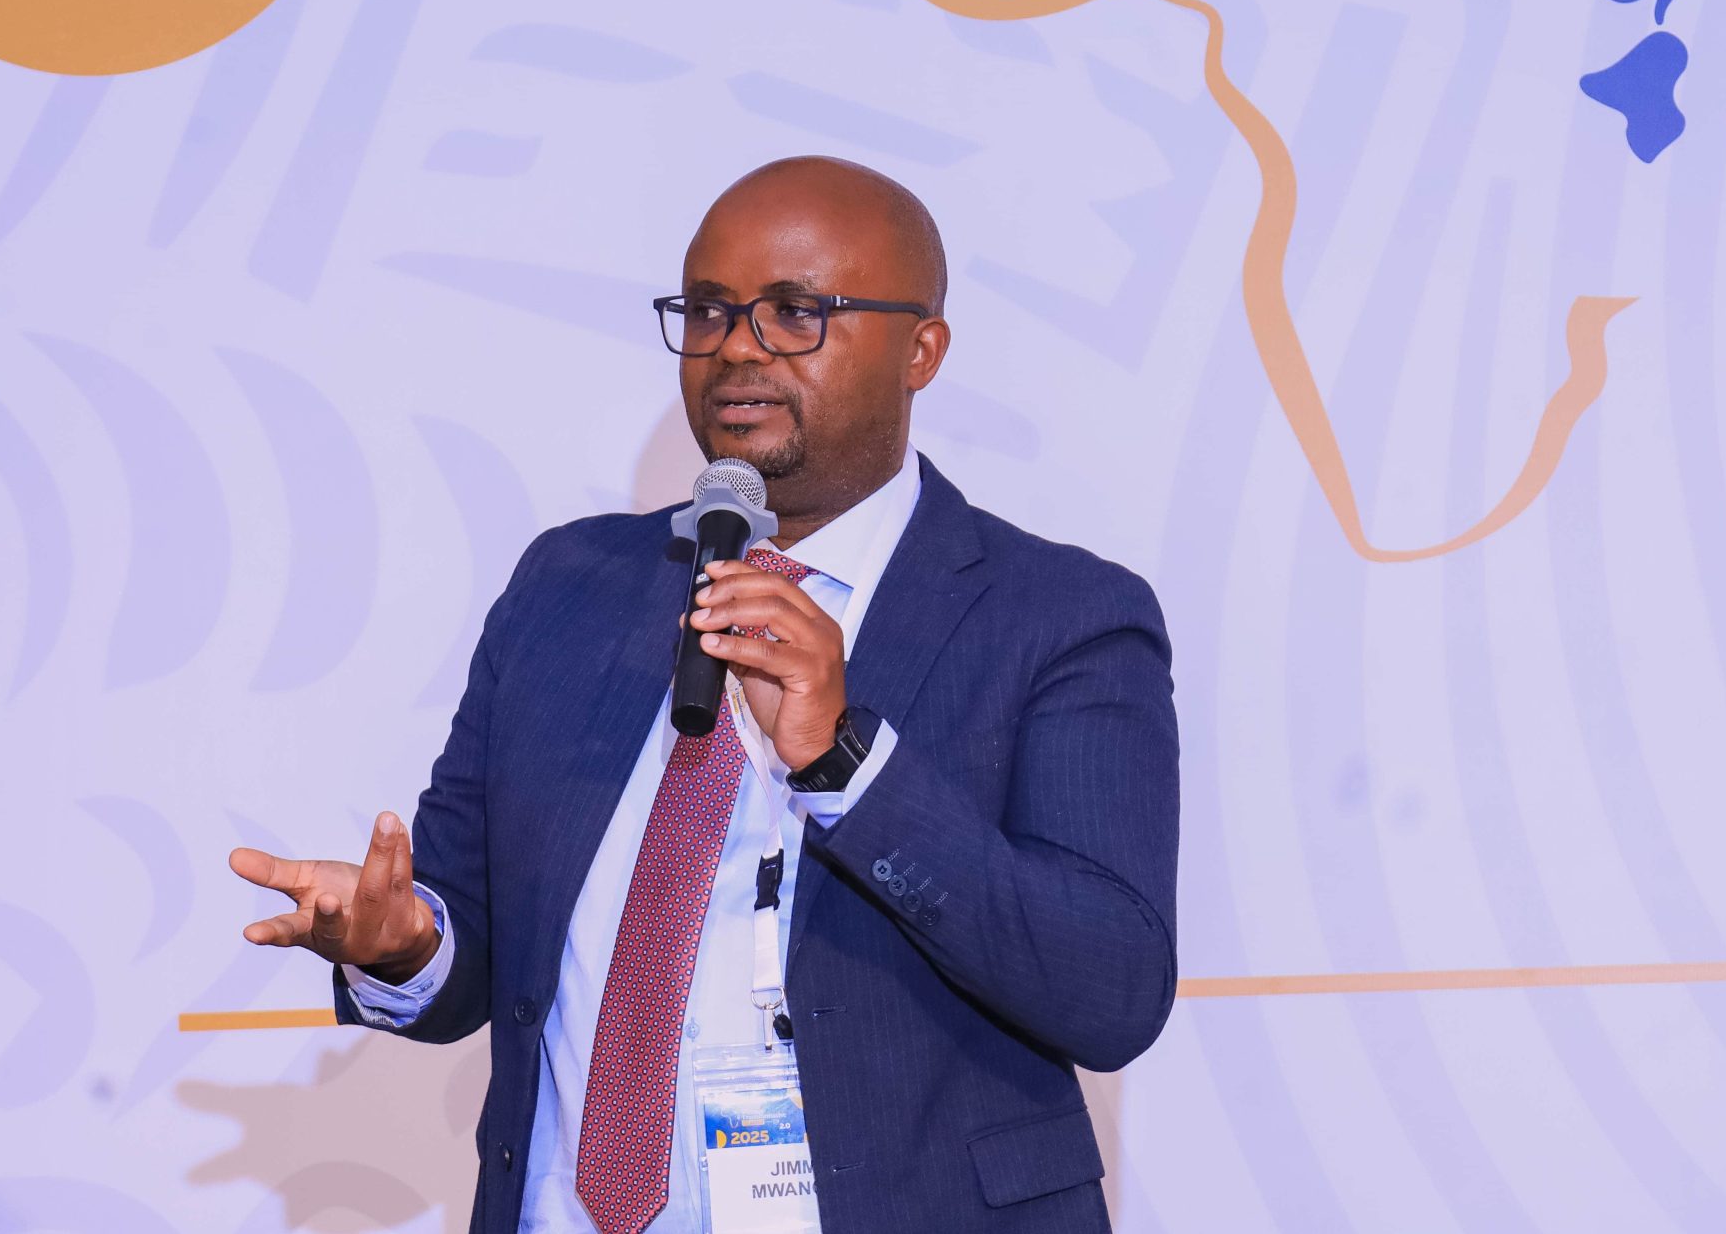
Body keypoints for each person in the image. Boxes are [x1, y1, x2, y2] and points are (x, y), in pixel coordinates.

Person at [230, 155, 1179, 1231]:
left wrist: (845, 761)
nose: (737, 346)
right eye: (710, 310)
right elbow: (477, 935)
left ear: (921, 350)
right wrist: (404, 942)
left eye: (796, 312)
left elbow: (1109, 990)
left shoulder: (1057, 616)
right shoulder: (569, 588)